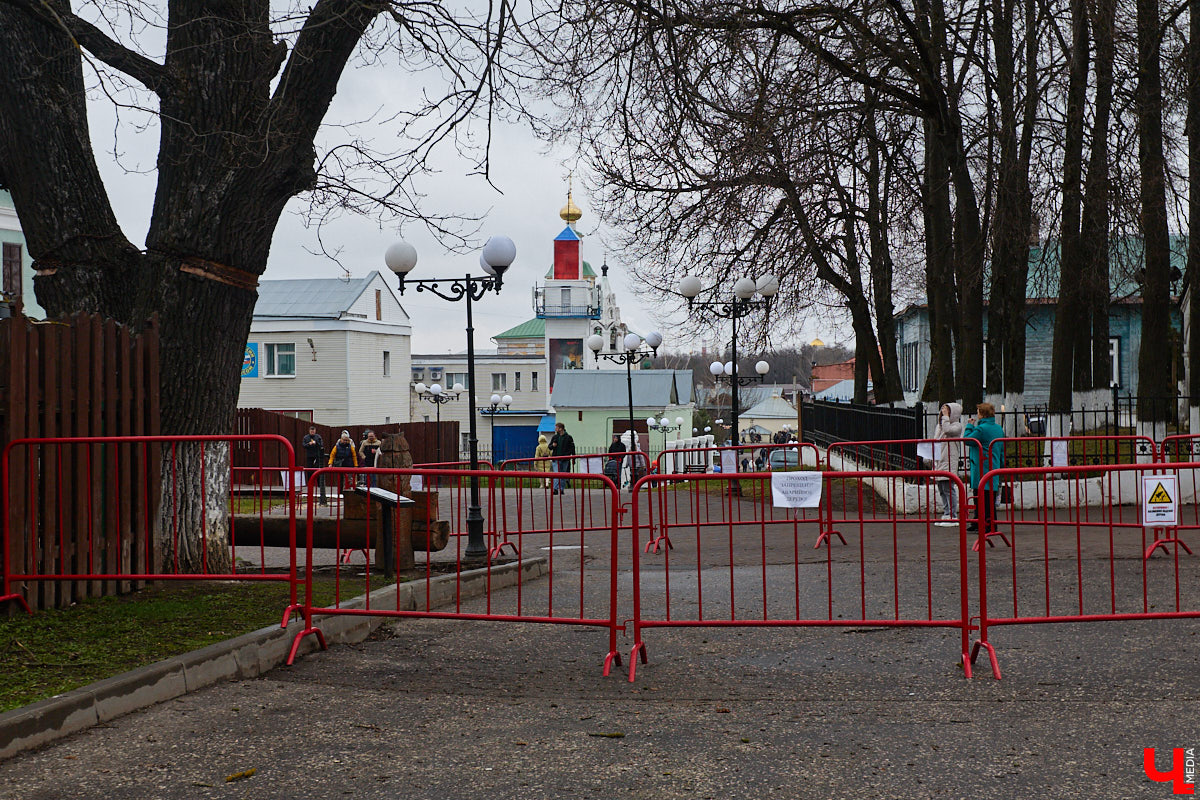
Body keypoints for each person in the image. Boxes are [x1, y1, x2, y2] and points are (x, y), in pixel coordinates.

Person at [964, 403, 1005, 535]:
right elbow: (1002, 449)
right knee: (988, 497)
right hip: (994, 466)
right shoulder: (998, 428)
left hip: (982, 467)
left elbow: (967, 440)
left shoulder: (981, 429)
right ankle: (980, 522)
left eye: (978, 412)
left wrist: (970, 425)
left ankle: (987, 524)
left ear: (982, 414)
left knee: (982, 497)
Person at [931, 403, 963, 526]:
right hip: (940, 460)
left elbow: (948, 430)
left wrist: (945, 417)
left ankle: (953, 515)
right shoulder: (940, 426)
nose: (943, 412)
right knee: (942, 489)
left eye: (946, 410)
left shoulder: (956, 426)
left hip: (949, 460)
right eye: (942, 410)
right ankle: (946, 512)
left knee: (948, 488)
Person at [301, 425, 327, 505]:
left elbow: (321, 445)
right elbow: (303, 445)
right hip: (310, 455)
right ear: (309, 431)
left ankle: (319, 484)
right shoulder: (306, 437)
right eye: (311, 431)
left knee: (318, 469)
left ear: (315, 431)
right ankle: (310, 483)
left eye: (313, 431)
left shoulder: (318, 437)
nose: (312, 432)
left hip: (317, 455)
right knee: (309, 469)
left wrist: (316, 443)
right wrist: (309, 444)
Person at [548, 422, 576, 494]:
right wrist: (553, 446)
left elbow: (572, 447)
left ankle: (562, 489)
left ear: (561, 429)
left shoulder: (568, 437)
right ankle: (555, 489)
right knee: (557, 473)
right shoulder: (555, 437)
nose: (555, 429)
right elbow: (549, 447)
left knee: (563, 474)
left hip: (565, 459)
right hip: (556, 458)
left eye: (556, 427)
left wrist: (573, 457)